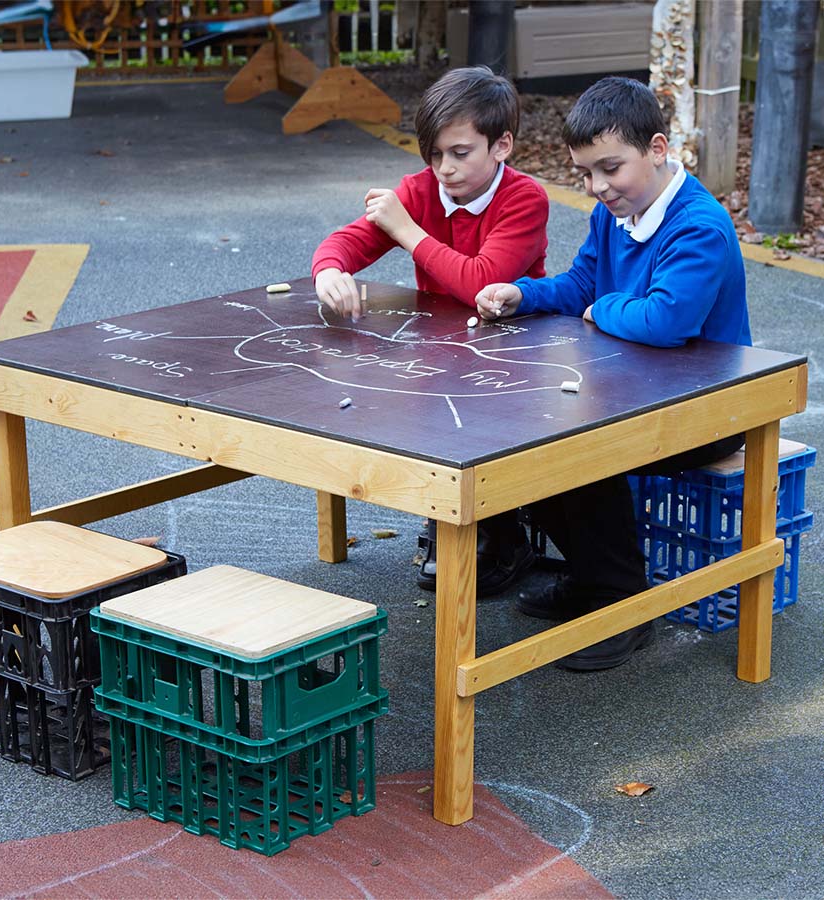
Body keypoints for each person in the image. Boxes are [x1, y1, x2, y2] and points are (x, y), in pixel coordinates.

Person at [475, 76, 751, 670]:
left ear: (656, 149)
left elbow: (665, 319)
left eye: (610, 168)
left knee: (583, 451)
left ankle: (623, 603)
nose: (598, 187)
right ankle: (591, 578)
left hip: (711, 406)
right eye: (585, 174)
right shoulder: (616, 213)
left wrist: (603, 308)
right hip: (639, 387)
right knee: (527, 433)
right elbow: (581, 283)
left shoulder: (698, 224)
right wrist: (522, 294)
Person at [312, 64, 550, 597]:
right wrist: (330, 270)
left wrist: (405, 228)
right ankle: (450, 521)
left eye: (460, 153)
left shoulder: (524, 198)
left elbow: (482, 283)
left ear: (501, 145)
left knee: (487, 430)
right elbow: (345, 243)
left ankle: (505, 532)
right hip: (443, 344)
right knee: (416, 410)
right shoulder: (419, 191)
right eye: (434, 154)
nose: (444, 169)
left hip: (517, 346)